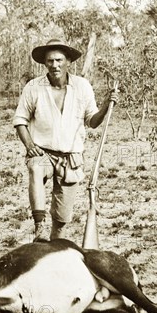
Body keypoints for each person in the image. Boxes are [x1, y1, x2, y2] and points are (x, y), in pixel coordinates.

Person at [13, 39, 118, 242]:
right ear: (44, 63)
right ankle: (39, 227)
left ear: (68, 61)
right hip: (42, 152)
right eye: (50, 61)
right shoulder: (33, 87)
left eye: (59, 60)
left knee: (62, 221)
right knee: (35, 167)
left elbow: (93, 121)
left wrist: (106, 105)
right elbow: (20, 120)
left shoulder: (82, 86)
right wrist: (29, 145)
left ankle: (52, 248)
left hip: (71, 158)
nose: (55, 65)